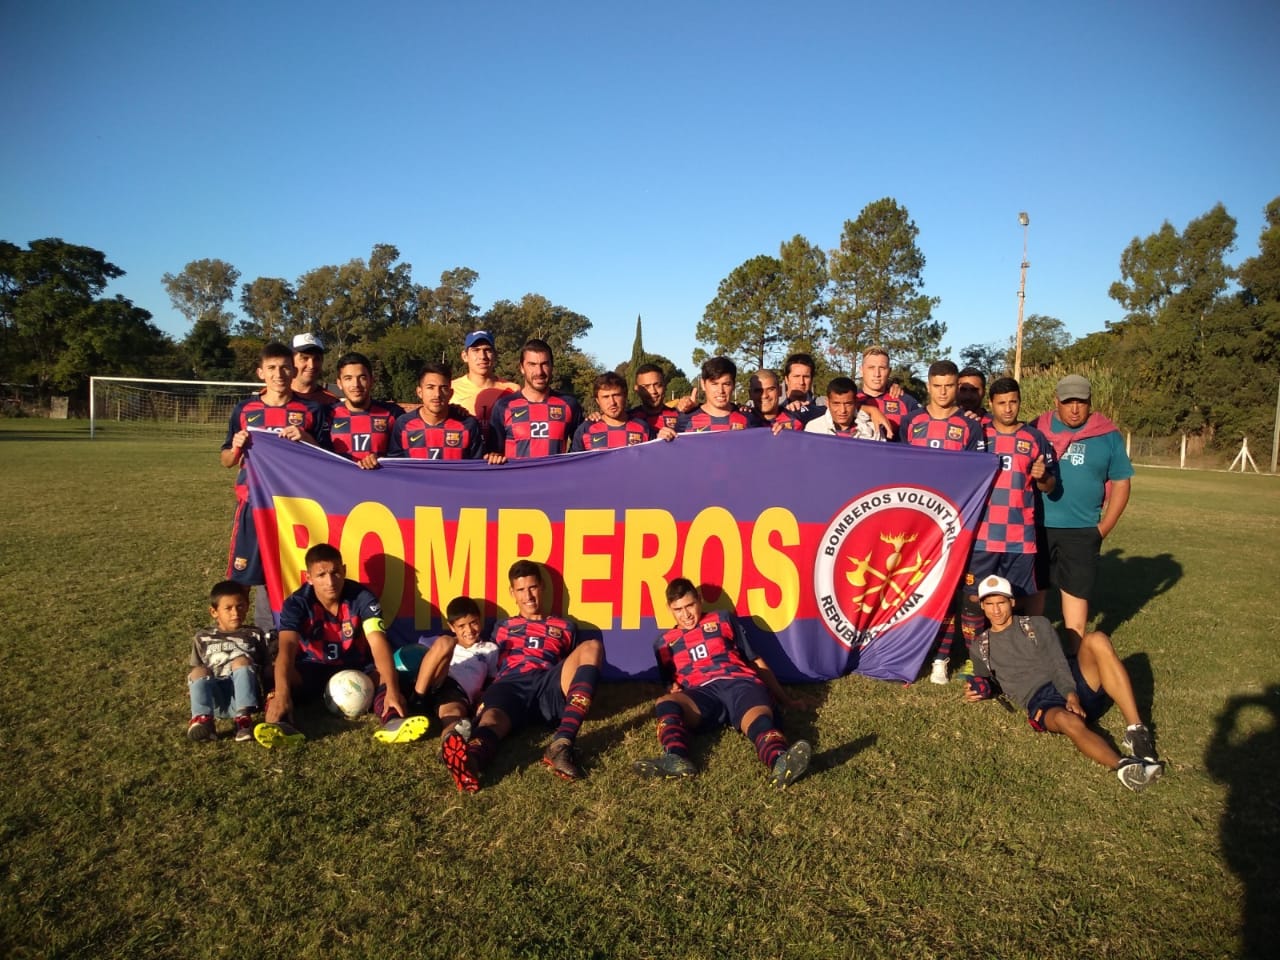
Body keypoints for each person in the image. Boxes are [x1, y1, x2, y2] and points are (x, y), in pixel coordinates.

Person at [964, 575, 1162, 792]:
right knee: (1065, 719)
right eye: (989, 604)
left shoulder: (1036, 625)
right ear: (982, 606)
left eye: (1001, 602)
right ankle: (1125, 767)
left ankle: (1136, 731)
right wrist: (978, 689)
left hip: (1070, 681)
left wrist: (1070, 694)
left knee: (1097, 639)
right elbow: (984, 681)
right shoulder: (980, 647)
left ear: (1012, 602)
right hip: (1042, 701)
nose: (996, 610)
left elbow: (1058, 661)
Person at [439, 561, 604, 791]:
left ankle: (561, 744)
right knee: (492, 718)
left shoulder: (566, 626)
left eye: (533, 587)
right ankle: (471, 761)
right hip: (510, 684)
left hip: (547, 683)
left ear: (542, 587)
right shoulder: (501, 627)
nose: (528, 596)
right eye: (521, 590)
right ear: (512, 593)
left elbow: (573, 666)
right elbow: (479, 655)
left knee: (592, 646)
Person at [632, 578, 812, 787]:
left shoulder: (722, 619)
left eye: (690, 605)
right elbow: (669, 683)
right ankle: (675, 758)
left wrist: (786, 700)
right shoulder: (663, 643)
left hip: (739, 682)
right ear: (669, 609)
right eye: (678, 609)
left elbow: (755, 660)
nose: (686, 614)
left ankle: (780, 760)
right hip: (702, 695)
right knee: (665, 702)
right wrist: (671, 688)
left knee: (759, 721)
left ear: (700, 600)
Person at [254, 544, 422, 748]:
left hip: (357, 667)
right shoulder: (296, 603)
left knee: (385, 675)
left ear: (344, 570)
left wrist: (393, 689)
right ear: (309, 577)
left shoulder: (362, 597)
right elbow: (287, 648)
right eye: (321, 575)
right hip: (311, 667)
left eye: (335, 573)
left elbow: (378, 642)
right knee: (274, 674)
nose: (330, 581)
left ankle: (393, 720)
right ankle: (281, 724)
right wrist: (281, 695)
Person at [221, 342, 329, 627]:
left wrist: (306, 438)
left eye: (284, 368)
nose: (278, 374)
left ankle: (288, 631)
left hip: (295, 505)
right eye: (271, 368)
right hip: (253, 503)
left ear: (293, 371)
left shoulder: (311, 410)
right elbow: (226, 460)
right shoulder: (244, 409)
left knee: (289, 573)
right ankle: (238, 636)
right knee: (243, 576)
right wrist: (236, 447)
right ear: (260, 372)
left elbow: (327, 459)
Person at [899, 360, 986, 684]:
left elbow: (978, 474)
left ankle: (941, 657)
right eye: (937, 385)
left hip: (954, 521)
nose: (943, 392)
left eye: (949, 385)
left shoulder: (970, 426)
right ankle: (910, 651)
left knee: (948, 590)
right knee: (913, 586)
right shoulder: (911, 421)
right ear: (928, 385)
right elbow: (898, 467)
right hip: (917, 521)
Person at [1032, 374, 1134, 648]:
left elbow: (1122, 482)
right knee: (1033, 593)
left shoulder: (1108, 435)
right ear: (1056, 401)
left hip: (1082, 530)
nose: (1075, 409)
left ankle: (1077, 657)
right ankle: (1032, 656)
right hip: (1036, 526)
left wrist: (1103, 528)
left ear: (1090, 402)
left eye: (1081, 402)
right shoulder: (1036, 428)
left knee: (1075, 595)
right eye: (1068, 402)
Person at [966, 378, 1057, 634]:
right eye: (1002, 403)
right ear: (991, 404)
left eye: (1013, 402)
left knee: (1016, 599)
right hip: (981, 534)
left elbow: (1050, 486)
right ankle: (978, 652)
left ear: (1019, 402)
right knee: (975, 598)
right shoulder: (979, 433)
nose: (1008, 408)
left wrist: (1042, 477)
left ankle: (1012, 650)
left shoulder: (1035, 437)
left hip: (1019, 536)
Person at [384, 597, 501, 764]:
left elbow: (491, 680)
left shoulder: (490, 649)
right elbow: (424, 657)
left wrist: (481, 700)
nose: (469, 630)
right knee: (446, 642)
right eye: (461, 626)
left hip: (456, 691)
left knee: (453, 715)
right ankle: (417, 700)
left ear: (480, 620)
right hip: (431, 680)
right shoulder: (440, 640)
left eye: (473, 623)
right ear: (452, 627)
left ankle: (449, 746)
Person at [186, 580, 272, 743]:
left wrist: (271, 691)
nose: (235, 613)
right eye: (228, 608)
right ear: (214, 612)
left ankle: (243, 720)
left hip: (245, 694)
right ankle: (203, 720)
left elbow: (267, 667)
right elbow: (197, 669)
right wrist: (195, 688)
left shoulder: (254, 634)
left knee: (241, 662)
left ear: (247, 606)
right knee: (199, 671)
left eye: (240, 606)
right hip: (216, 697)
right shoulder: (202, 637)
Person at [488, 339, 584, 459]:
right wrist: (494, 456)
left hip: (556, 472)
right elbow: (494, 454)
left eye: (544, 364)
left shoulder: (569, 405)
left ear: (552, 366)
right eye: (532, 364)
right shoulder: (503, 406)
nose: (539, 372)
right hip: (517, 472)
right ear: (521, 368)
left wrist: (595, 420)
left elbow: (583, 448)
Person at [388, 362, 501, 462]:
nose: (437, 394)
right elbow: (393, 466)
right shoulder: (403, 424)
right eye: (430, 387)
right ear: (419, 392)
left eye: (443, 388)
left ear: (451, 393)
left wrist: (495, 458)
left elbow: (477, 467)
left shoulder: (468, 425)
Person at [328, 352, 405, 469]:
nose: (356, 384)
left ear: (371, 380)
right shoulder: (327, 415)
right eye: (348, 378)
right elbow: (317, 454)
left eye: (362, 378)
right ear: (339, 383)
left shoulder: (393, 414)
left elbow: (405, 455)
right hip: (339, 480)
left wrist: (382, 461)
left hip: (380, 480)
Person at [572, 372, 670, 450]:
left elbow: (654, 460)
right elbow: (573, 464)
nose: (612, 402)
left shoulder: (644, 428)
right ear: (597, 400)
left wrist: (663, 442)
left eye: (616, 395)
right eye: (606, 397)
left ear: (625, 396)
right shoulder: (585, 430)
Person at [675, 356, 764, 433]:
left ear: (733, 385)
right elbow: (672, 446)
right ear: (703, 384)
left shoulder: (748, 418)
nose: (720, 390)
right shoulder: (685, 419)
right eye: (714, 384)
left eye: (726, 384)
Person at [449, 329, 518, 425]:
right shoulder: (450, 389)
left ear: (495, 355)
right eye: (476, 350)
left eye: (487, 350)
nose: (482, 356)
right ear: (465, 356)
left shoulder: (513, 390)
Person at [857, 346, 919, 435]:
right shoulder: (849, 401)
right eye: (871, 367)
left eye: (882, 368)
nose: (877, 374)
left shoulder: (907, 402)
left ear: (889, 371)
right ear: (861, 370)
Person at [804, 376, 881, 440]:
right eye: (836, 404)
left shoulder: (873, 430)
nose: (842, 410)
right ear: (827, 402)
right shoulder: (814, 429)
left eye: (848, 404)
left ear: (856, 402)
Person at [630, 363, 687, 434]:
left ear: (665, 385)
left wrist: (694, 408)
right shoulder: (628, 418)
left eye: (658, 385)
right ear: (637, 389)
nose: (653, 391)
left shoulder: (680, 417)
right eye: (646, 387)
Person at [289, 332, 339, 405]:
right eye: (305, 358)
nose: (311, 365)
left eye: (317, 359)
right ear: (290, 361)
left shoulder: (331, 402)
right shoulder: (274, 397)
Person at [778, 352, 825, 424]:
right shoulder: (774, 406)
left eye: (806, 377)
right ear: (786, 379)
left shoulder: (822, 405)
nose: (801, 382)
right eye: (796, 376)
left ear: (812, 380)